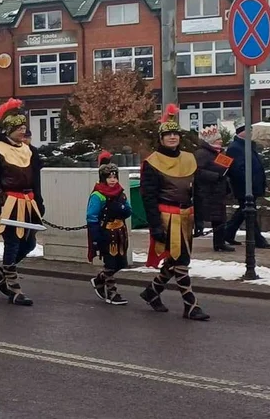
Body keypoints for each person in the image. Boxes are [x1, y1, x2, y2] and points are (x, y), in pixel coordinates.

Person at [140, 105, 209, 321]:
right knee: (181, 261)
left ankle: (152, 292)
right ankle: (191, 305)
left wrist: (199, 218)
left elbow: (197, 190)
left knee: (175, 259)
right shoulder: (152, 162)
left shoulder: (189, 158)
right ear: (161, 138)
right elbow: (148, 197)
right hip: (166, 217)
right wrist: (155, 226)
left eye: (175, 134)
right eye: (168, 134)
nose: (172, 137)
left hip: (186, 215)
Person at [0, 99, 44, 306]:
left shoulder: (30, 150)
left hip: (28, 202)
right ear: (9, 129)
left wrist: (39, 200)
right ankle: (14, 289)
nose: (23, 131)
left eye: (24, 127)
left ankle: (1, 273)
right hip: (8, 202)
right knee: (12, 242)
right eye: (19, 128)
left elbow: (36, 179)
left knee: (30, 243)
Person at [87, 160, 131, 306]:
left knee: (121, 262)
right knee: (110, 264)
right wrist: (95, 236)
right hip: (106, 233)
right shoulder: (98, 195)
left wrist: (124, 209)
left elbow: (128, 210)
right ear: (103, 179)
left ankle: (100, 279)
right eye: (109, 177)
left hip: (120, 234)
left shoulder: (121, 192)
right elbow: (92, 217)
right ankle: (111, 293)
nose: (113, 180)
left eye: (115, 177)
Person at [223, 124, 270, 249]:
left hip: (252, 185)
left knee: (243, 211)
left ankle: (227, 233)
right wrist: (248, 182)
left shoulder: (247, 145)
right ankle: (257, 240)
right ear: (240, 132)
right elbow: (238, 169)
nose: (251, 132)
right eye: (248, 130)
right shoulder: (235, 147)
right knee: (250, 212)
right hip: (244, 186)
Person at [193, 126, 234, 253]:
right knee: (213, 217)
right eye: (218, 139)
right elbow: (197, 171)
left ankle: (220, 243)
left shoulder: (218, 153)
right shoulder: (201, 154)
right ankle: (218, 242)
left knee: (220, 218)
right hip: (207, 191)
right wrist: (215, 176)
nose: (221, 141)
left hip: (218, 190)